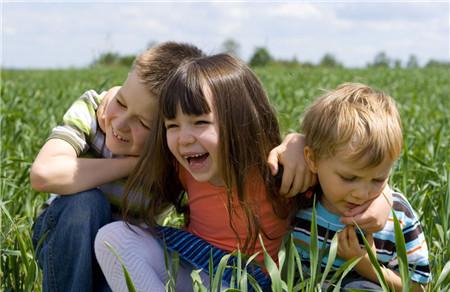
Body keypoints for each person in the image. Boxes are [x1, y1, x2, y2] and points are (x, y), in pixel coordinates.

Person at [94, 56, 393, 291]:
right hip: (193, 261)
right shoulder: (181, 165)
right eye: (173, 125)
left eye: (199, 122)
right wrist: (108, 103)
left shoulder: (280, 170)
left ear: (239, 122)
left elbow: (353, 171)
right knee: (112, 237)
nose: (184, 137)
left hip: (246, 281)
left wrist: (385, 199)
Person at [30, 42, 205, 292]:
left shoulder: (175, 154)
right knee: (86, 202)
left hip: (118, 250)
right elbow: (44, 173)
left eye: (143, 123)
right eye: (121, 102)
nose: (120, 123)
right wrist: (133, 164)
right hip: (64, 240)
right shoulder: (92, 110)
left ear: (170, 131)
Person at [292, 83, 431, 291]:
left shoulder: (397, 217)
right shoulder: (299, 198)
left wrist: (367, 265)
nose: (362, 194)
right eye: (349, 177)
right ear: (312, 160)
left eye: (378, 180)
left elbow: (420, 287)